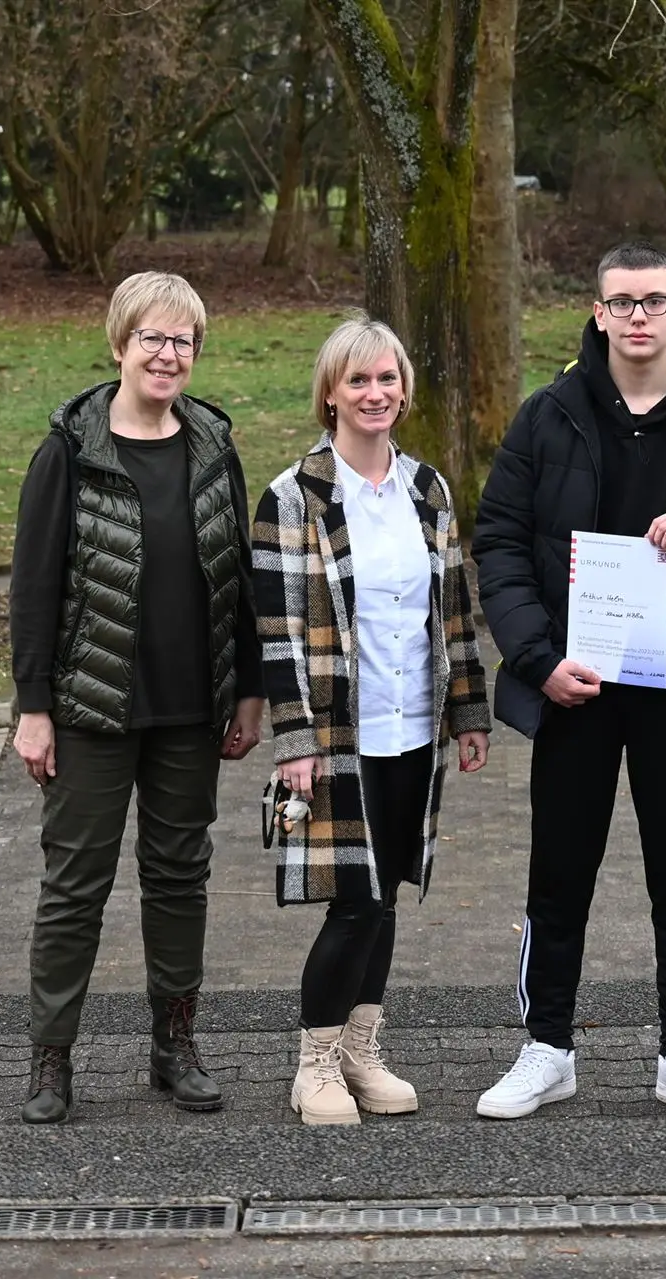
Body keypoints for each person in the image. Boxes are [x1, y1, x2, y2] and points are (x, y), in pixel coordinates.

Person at [471, 241, 666, 1122]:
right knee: (559, 873)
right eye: (621, 302)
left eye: (654, 300)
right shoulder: (548, 415)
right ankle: (548, 1047)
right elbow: (499, 540)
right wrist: (536, 659)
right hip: (577, 685)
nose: (637, 316)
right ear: (598, 312)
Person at [8, 271, 266, 1125]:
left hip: (193, 707)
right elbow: (35, 586)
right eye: (152, 338)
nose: (168, 353)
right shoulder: (70, 450)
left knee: (179, 878)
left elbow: (241, 582)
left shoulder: (212, 447)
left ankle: (175, 1045)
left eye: (183, 340)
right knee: (75, 884)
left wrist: (251, 693)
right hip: (91, 708)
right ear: (119, 344)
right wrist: (33, 706)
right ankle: (51, 1059)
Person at [251, 315, 492, 1126]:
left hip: (413, 727)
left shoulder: (427, 488)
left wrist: (469, 710)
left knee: (386, 893)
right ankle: (313, 1060)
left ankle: (362, 1047)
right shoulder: (294, 496)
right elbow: (277, 630)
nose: (376, 393)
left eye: (388, 379)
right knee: (352, 899)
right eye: (359, 380)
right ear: (330, 393)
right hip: (335, 737)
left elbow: (453, 607)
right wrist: (294, 741)